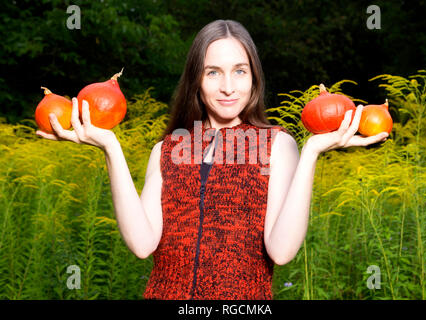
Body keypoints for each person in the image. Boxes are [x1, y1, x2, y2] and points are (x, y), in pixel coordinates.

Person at [36, 19, 388, 300]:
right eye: (213, 72)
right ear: (196, 80)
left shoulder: (277, 146)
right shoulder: (168, 150)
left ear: (254, 78)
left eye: (239, 71)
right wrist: (110, 147)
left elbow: (280, 252)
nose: (228, 87)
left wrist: (311, 151)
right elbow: (143, 245)